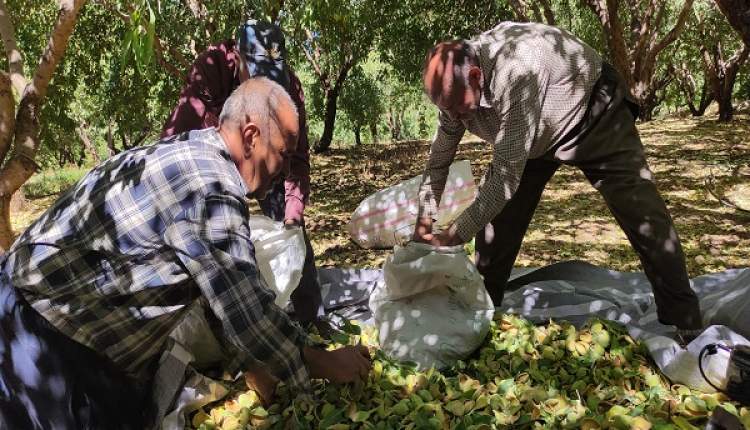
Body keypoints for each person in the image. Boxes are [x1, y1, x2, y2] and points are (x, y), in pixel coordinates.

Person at [0, 78, 370, 430]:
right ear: (251, 135)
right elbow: (250, 312)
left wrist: (252, 364)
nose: (286, 170)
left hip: (34, 308)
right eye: (284, 154)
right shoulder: (211, 187)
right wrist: (324, 362)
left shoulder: (192, 152)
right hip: (41, 332)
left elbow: (217, 291)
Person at [413, 22, 703, 340]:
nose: (454, 117)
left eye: (457, 108)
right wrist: (423, 225)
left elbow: (505, 179)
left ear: (475, 77)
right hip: (531, 136)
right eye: (446, 110)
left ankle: (684, 320)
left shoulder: (515, 71)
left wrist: (453, 236)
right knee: (495, 227)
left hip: (593, 113)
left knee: (642, 212)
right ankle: (478, 311)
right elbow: (438, 162)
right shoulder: (452, 95)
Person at [162, 20, 329, 333]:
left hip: (270, 161)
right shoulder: (212, 68)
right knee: (211, 237)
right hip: (217, 159)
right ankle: (209, 325)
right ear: (237, 60)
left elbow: (298, 157)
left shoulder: (290, 88)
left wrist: (293, 214)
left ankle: (312, 316)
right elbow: (178, 137)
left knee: (293, 234)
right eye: (257, 78)